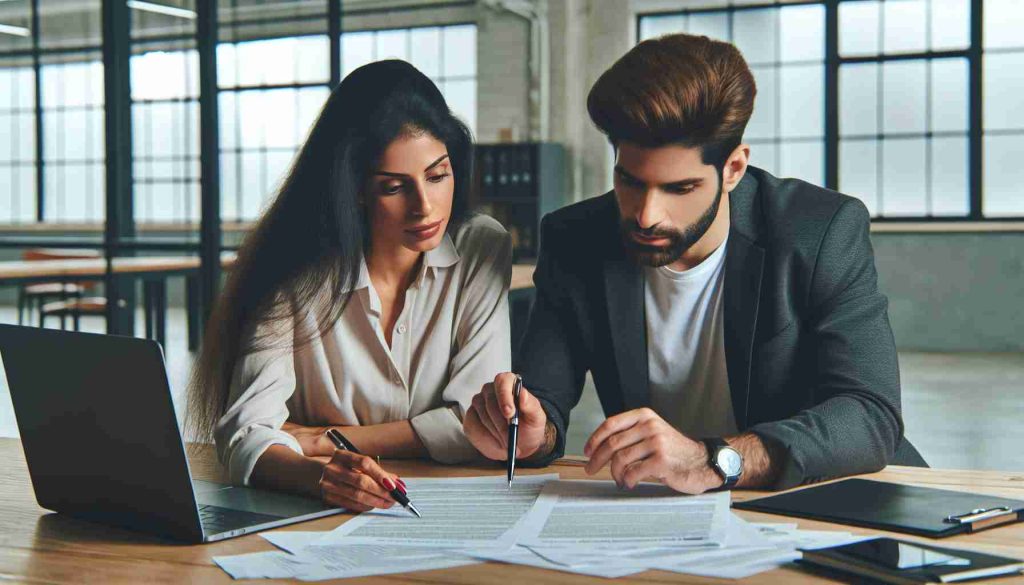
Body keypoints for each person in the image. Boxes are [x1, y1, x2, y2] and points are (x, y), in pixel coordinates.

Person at [463, 33, 926, 493]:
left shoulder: (820, 231)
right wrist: (527, 434)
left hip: (826, 494)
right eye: (629, 180)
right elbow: (544, 405)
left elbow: (870, 413)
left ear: (734, 169)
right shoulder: (576, 239)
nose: (646, 214)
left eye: (679, 189)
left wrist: (715, 460)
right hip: (667, 509)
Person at [186, 60, 511, 512]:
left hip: (450, 509)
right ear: (354, 188)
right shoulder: (292, 269)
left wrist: (322, 441)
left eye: (438, 176)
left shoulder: (481, 246)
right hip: (316, 520)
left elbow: (476, 427)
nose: (425, 207)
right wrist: (321, 476)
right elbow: (245, 435)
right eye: (394, 187)